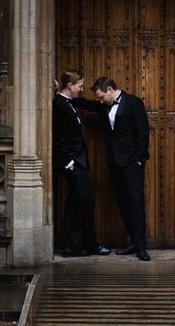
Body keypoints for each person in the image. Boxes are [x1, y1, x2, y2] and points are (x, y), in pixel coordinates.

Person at [50, 71, 109, 257]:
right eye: (80, 86)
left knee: (73, 202)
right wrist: (68, 163)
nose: (82, 89)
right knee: (87, 200)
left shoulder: (68, 102)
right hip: (72, 163)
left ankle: (69, 247)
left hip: (78, 161)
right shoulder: (59, 105)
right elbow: (57, 138)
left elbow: (90, 106)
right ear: (70, 85)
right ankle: (91, 245)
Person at [92, 75, 150, 261]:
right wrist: (61, 95)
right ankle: (133, 241)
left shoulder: (134, 103)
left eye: (101, 96)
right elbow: (86, 104)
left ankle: (141, 247)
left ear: (110, 89)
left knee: (135, 203)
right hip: (114, 164)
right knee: (122, 203)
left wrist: (139, 160)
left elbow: (143, 131)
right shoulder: (103, 106)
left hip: (132, 163)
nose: (100, 100)